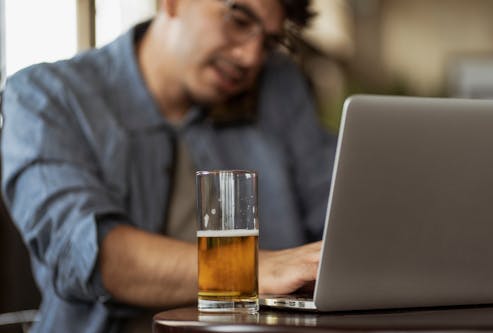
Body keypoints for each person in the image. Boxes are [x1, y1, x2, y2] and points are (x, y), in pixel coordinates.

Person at [1, 0, 336, 332]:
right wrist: (254, 269)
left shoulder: (278, 84)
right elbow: (91, 256)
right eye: (238, 20)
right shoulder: (44, 96)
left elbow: (334, 216)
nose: (250, 57)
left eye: (268, 42)